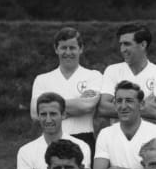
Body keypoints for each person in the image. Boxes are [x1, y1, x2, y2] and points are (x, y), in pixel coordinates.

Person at [30, 27, 102, 155]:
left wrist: (50, 107)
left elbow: (87, 105)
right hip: (51, 140)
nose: (68, 52)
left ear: (81, 49)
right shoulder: (42, 79)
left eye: (72, 48)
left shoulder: (94, 76)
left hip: (84, 138)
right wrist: (76, 104)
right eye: (63, 48)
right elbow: (35, 113)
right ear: (56, 49)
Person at [98, 23, 156, 123]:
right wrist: (143, 104)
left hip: (151, 136)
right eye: (121, 44)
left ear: (143, 45)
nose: (122, 49)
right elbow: (103, 108)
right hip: (118, 136)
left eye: (127, 44)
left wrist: (117, 103)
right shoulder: (112, 71)